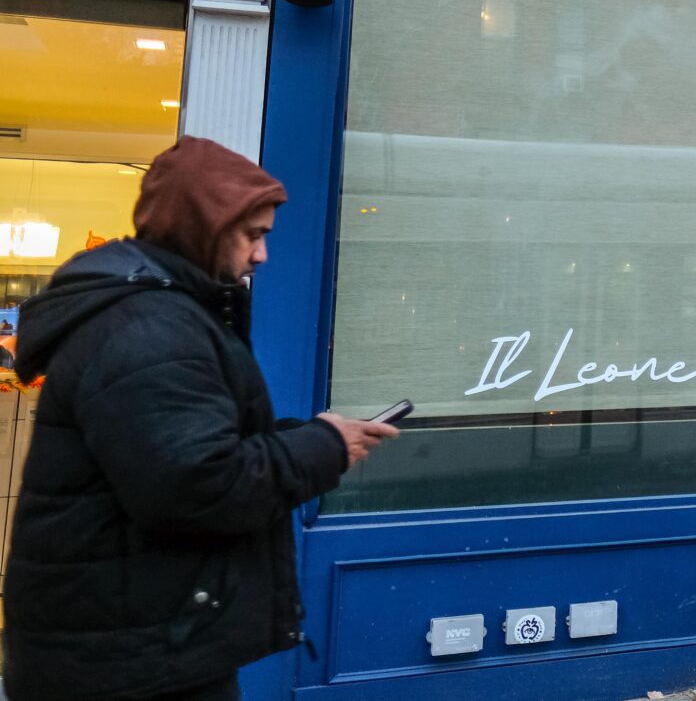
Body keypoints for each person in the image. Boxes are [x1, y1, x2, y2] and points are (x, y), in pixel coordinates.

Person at [4, 137, 400, 701]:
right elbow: (196, 487)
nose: (261, 255)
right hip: (129, 664)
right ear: (203, 227)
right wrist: (319, 449)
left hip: (133, 644)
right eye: (252, 235)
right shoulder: (148, 329)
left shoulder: (152, 316)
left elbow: (176, 453)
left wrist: (310, 438)